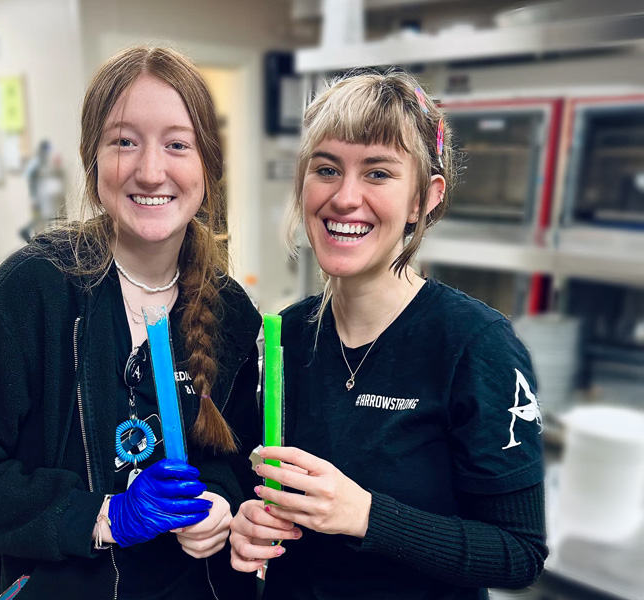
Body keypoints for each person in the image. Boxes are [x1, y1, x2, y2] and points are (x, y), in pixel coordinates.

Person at [0, 46, 261, 600]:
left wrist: (218, 503)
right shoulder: (32, 291)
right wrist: (99, 516)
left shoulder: (232, 312)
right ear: (91, 158)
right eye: (124, 141)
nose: (150, 171)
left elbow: (233, 456)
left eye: (177, 144)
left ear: (206, 166)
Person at [230, 70, 547, 599]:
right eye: (327, 169)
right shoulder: (285, 336)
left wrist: (367, 516)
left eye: (378, 173)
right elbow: (257, 495)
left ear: (424, 198)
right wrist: (248, 525)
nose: (345, 197)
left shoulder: (476, 345)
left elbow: (518, 554)